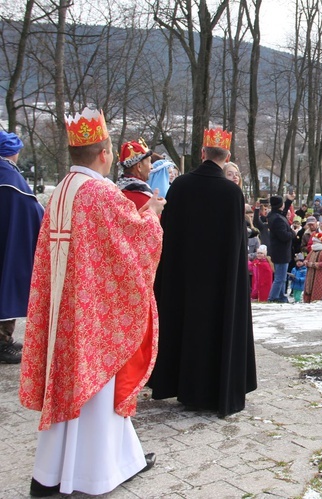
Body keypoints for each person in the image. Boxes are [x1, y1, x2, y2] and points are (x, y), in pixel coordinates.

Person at [19, 107, 164, 496]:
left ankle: (54, 471)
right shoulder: (101, 193)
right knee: (97, 387)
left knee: (70, 385)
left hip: (64, 308)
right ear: (104, 153)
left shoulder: (61, 190)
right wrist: (152, 215)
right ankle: (93, 474)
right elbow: (135, 244)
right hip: (93, 313)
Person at [149, 127, 256, 417]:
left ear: (202, 153)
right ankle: (216, 390)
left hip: (184, 280)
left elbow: (167, 235)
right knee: (217, 330)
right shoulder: (232, 193)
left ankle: (184, 387)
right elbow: (237, 245)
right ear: (227, 157)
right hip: (220, 282)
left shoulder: (181, 186)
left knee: (186, 328)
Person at [0, 130, 44, 363]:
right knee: (5, 286)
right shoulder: (9, 177)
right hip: (10, 243)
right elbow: (31, 208)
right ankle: (2, 341)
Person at [267, 194, 296, 302]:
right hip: (281, 251)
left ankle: (281, 296)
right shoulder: (277, 219)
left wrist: (289, 201)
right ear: (280, 205)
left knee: (281, 277)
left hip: (279, 251)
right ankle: (273, 297)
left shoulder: (273, 215)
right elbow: (284, 236)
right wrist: (293, 233)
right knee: (280, 278)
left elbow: (282, 214)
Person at [115, 139, 154, 209]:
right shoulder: (144, 196)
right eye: (150, 162)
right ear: (139, 166)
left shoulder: (115, 191)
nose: (152, 167)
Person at [304, 232, 322, 302]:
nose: (313, 243)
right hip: (311, 275)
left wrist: (313, 264)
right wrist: (305, 262)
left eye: (314, 241)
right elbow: (307, 258)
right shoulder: (312, 251)